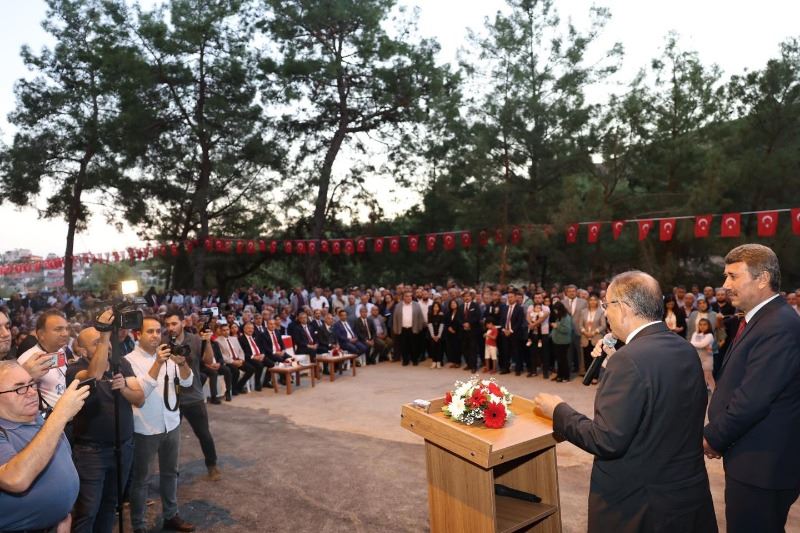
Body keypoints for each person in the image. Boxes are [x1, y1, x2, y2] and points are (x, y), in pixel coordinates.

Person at [534, 271, 716, 532]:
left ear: (624, 308)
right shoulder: (683, 348)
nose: (605, 313)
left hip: (638, 504)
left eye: (607, 305)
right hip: (683, 495)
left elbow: (606, 439)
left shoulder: (628, 360)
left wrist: (558, 412)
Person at [703, 244, 800, 533]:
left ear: (762, 278)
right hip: (751, 458)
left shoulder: (778, 325)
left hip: (763, 466)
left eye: (733, 276)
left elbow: (752, 400)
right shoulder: (762, 319)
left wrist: (713, 438)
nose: (725, 285)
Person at [68, 315, 145, 533]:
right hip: (92, 453)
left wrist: (124, 389)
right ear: (82, 350)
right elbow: (94, 374)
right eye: (98, 342)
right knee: (87, 511)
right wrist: (104, 335)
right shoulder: (75, 370)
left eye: (108, 340)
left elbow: (139, 398)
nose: (107, 345)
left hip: (123, 448)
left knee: (110, 506)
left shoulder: (121, 364)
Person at [0, 361, 89, 532]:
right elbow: (16, 479)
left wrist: (63, 514)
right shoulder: (6, 430)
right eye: (19, 388)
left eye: (31, 384)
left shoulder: (40, 420)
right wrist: (60, 415)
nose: (32, 392)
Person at [125, 316, 195, 533]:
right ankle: (139, 526)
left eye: (158, 331)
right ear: (138, 334)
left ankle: (171, 515)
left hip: (171, 423)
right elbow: (140, 393)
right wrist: (158, 363)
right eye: (150, 331)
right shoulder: (129, 361)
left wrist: (181, 364)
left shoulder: (168, 355)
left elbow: (187, 381)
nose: (155, 335)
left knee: (171, 473)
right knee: (141, 480)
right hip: (145, 428)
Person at [163, 309, 221, 481]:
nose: (171, 328)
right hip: (170, 397)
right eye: (167, 325)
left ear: (183, 323)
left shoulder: (195, 339)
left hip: (193, 395)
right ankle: (171, 471)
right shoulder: (162, 341)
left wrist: (207, 341)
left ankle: (212, 465)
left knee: (203, 434)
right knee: (170, 438)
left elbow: (208, 361)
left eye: (174, 323)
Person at [17, 309, 74, 415]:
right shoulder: (27, 359)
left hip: (67, 415)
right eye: (58, 329)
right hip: (46, 420)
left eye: (67, 329)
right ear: (41, 334)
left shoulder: (61, 350)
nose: (65, 333)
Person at [391, 291, 425, 366]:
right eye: (407, 296)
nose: (409, 297)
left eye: (410, 296)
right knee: (404, 345)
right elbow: (395, 318)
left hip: (413, 328)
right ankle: (405, 360)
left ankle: (415, 360)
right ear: (403, 297)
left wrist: (420, 327)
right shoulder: (398, 306)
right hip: (402, 328)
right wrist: (395, 328)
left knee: (414, 345)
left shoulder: (416, 305)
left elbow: (420, 317)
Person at [689, 318, 715, 393]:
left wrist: (696, 344)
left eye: (704, 324)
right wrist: (699, 344)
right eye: (700, 324)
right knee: (709, 379)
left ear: (708, 326)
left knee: (705, 379)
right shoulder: (695, 333)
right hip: (698, 359)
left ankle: (701, 396)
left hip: (707, 359)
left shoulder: (710, 335)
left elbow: (701, 344)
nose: (702, 326)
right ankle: (716, 395)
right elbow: (692, 343)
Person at [549, 301, 573, 382]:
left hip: (563, 342)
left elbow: (567, 329)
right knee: (559, 360)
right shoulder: (559, 316)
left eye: (556, 310)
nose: (555, 311)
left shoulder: (566, 317)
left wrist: (556, 326)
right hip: (557, 341)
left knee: (563, 360)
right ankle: (559, 375)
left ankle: (566, 376)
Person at [427, 302, 445, 369]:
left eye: (437, 307)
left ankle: (439, 362)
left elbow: (442, 325)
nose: (436, 308)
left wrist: (438, 335)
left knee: (439, 348)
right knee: (433, 348)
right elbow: (429, 325)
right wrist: (433, 335)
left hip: (440, 334)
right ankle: (434, 362)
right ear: (432, 308)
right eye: (434, 307)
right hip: (432, 334)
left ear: (439, 308)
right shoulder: (430, 314)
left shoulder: (441, 315)